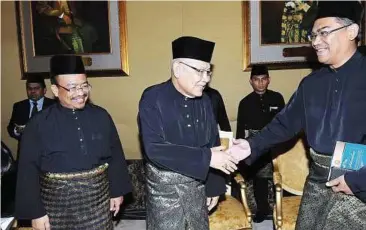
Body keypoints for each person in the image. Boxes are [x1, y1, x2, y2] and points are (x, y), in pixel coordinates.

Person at [231, 1, 366, 229]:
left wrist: (358, 181)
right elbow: (284, 124)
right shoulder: (311, 84)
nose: (315, 42)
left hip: (357, 185)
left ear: (351, 31)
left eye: (323, 33)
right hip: (317, 182)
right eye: (313, 35)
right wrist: (250, 146)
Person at [15, 55, 132, 230]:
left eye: (84, 85)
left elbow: (115, 155)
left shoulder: (101, 116)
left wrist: (116, 191)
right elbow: (27, 170)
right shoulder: (38, 124)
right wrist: (36, 213)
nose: (80, 93)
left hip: (97, 202)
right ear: (55, 90)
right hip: (56, 208)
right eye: (72, 87)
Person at [138, 36, 242, 230]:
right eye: (199, 71)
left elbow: (213, 143)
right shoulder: (152, 97)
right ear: (177, 69)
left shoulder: (206, 101)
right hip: (164, 193)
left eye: (208, 72)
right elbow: (154, 149)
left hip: (197, 187)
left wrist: (214, 187)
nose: (206, 78)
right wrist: (208, 158)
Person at [236, 65, 285, 223]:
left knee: (282, 173)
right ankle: (262, 209)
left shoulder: (277, 98)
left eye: (263, 79)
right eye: (256, 80)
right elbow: (240, 130)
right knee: (260, 174)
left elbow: (284, 123)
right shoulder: (245, 103)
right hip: (255, 144)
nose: (260, 83)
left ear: (268, 80)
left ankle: (280, 207)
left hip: (276, 143)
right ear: (251, 81)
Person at [7, 76, 55, 142]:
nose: (32, 91)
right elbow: (11, 128)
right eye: (29, 88)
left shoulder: (54, 105)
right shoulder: (19, 106)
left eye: (36, 88)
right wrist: (17, 131)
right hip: (26, 147)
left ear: (44, 90)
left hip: (49, 147)